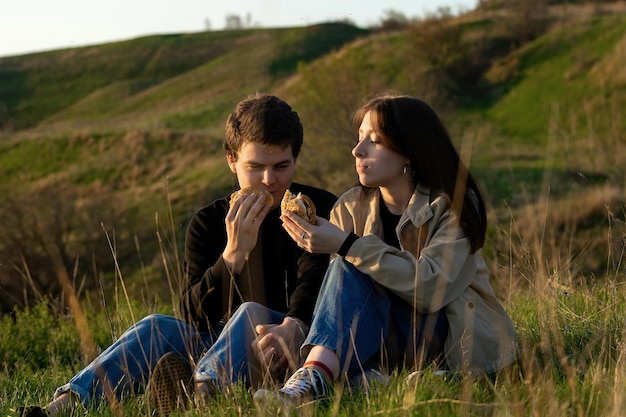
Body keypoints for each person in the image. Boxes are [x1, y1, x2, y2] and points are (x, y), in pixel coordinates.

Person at [18, 94, 337, 417]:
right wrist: (233, 255)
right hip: (217, 343)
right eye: (255, 167)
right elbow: (194, 316)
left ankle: (201, 396)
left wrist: (292, 322)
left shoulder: (317, 209)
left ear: (295, 159)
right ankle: (61, 407)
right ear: (231, 160)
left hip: (284, 345)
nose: (269, 181)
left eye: (281, 167)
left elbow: (316, 281)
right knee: (155, 326)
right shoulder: (209, 222)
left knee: (250, 312)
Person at [254, 93, 519, 408]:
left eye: (374, 141)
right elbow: (343, 302)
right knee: (343, 270)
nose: (357, 150)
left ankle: (322, 380)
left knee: (347, 262)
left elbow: (433, 288)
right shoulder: (349, 207)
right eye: (359, 138)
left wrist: (347, 243)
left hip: (446, 336)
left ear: (408, 151)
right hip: (380, 336)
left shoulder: (452, 205)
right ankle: (319, 380)